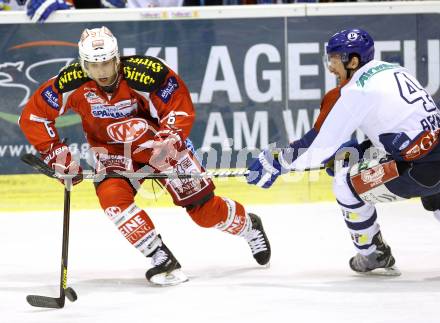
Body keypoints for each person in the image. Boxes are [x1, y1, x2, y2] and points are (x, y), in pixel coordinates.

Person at [19, 26, 271, 285]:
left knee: (205, 214)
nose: (102, 72)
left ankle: (249, 227)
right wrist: (57, 155)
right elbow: (34, 117)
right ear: (84, 64)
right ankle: (159, 256)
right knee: (112, 199)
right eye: (94, 66)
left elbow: (178, 103)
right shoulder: (69, 82)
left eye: (106, 63)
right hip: (113, 151)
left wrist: (170, 138)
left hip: (162, 147)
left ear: (117, 58)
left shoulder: (146, 73)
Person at [247, 28, 440, 276]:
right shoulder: (392, 70)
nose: (330, 67)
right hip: (433, 155)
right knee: (436, 194)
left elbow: (318, 148)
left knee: (344, 182)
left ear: (353, 61)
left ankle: (373, 254)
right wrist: (360, 151)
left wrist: (277, 161)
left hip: (420, 170)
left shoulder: (357, 89)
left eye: (334, 60)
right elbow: (405, 127)